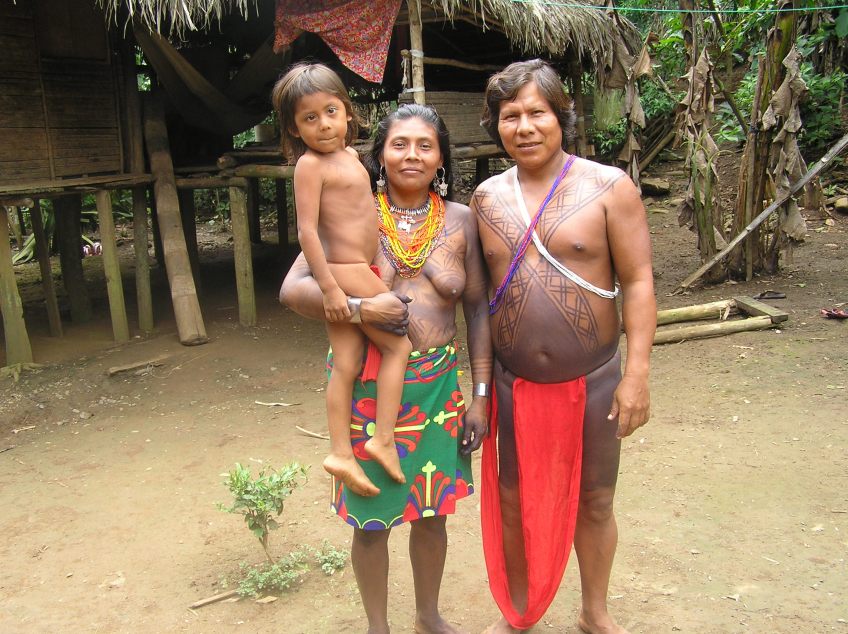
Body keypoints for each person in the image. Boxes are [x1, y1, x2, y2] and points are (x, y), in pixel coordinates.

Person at [280, 103, 492, 634]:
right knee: (371, 522)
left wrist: (480, 395)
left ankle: (428, 616)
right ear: (379, 154)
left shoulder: (461, 220)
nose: (411, 155)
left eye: (425, 145)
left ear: (441, 157)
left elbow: (476, 311)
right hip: (369, 387)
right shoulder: (351, 209)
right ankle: (379, 628)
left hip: (438, 387)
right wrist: (359, 309)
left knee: (432, 514)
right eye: (399, 144)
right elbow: (292, 290)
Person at [472, 59, 656, 633]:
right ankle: (519, 612)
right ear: (496, 125)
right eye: (510, 116)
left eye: (537, 113)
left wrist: (636, 375)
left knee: (595, 500)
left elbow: (640, 281)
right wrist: (481, 388)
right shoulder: (486, 198)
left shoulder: (609, 187)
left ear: (562, 116)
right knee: (512, 497)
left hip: (595, 380)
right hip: (514, 385)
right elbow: (478, 301)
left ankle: (594, 612)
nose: (524, 127)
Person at [272, 63, 412, 497]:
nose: (323, 125)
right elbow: (307, 232)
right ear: (294, 128)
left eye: (330, 112)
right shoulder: (310, 166)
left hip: (358, 269)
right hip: (346, 271)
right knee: (399, 346)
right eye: (309, 118)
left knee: (347, 363)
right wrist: (331, 290)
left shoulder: (350, 157)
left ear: (347, 111)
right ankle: (382, 439)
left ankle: (340, 453)